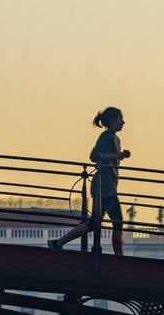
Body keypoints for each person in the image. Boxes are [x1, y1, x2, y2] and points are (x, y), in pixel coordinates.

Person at [48, 107, 131, 255]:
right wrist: (117, 155)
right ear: (112, 121)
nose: (123, 122)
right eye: (120, 119)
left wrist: (119, 155)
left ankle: (58, 242)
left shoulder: (113, 138)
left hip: (106, 186)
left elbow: (104, 156)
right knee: (116, 222)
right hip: (105, 186)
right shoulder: (107, 137)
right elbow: (94, 156)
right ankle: (120, 258)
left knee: (96, 222)